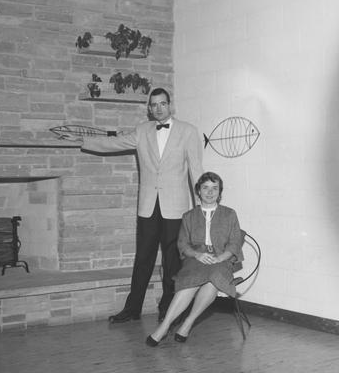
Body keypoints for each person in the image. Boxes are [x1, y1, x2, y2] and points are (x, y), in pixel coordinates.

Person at [60, 87, 203, 323]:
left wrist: (202, 207)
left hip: (176, 208)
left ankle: (168, 308)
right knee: (143, 257)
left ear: (170, 105)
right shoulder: (142, 131)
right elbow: (114, 142)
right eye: (154, 105)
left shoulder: (188, 131)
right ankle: (132, 309)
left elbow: (196, 172)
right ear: (149, 108)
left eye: (162, 104)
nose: (158, 108)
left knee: (172, 260)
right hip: (148, 206)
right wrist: (82, 140)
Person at [145, 171, 244, 346]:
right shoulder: (188, 216)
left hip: (222, 259)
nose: (210, 192)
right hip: (195, 259)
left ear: (220, 192)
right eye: (205, 187)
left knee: (214, 277)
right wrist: (198, 254)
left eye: (215, 188)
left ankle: (188, 322)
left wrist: (221, 257)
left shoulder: (230, 214)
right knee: (190, 281)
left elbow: (235, 242)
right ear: (198, 191)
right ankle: (164, 327)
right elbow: (183, 244)